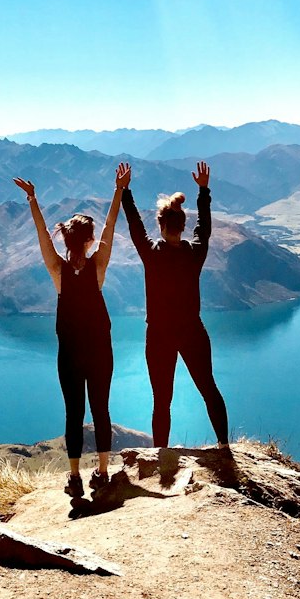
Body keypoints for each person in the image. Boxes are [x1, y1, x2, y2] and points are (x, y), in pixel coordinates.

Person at [13, 163, 131, 499]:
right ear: (90, 240)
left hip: (69, 353)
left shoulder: (58, 271)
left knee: (74, 413)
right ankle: (104, 472)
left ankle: (76, 476)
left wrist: (33, 201)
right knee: (101, 409)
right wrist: (119, 190)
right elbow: (111, 225)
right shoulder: (99, 266)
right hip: (99, 350)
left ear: (65, 239)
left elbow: (41, 235)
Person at [121, 161, 229, 450]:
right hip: (192, 331)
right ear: (182, 226)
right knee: (209, 389)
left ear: (160, 224)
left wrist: (124, 191)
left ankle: (161, 456)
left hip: (158, 336)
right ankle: (223, 447)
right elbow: (203, 230)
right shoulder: (195, 254)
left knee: (161, 401)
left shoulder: (151, 254)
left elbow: (134, 226)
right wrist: (203, 190)